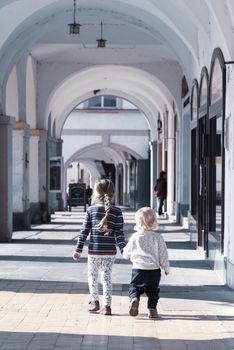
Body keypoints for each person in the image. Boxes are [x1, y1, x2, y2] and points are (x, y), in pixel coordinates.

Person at [72, 179, 125, 316]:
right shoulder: (117, 212)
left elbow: (84, 231)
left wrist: (78, 249)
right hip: (109, 251)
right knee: (106, 278)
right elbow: (119, 234)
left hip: (94, 251)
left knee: (92, 276)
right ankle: (107, 306)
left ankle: (94, 302)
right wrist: (123, 249)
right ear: (113, 193)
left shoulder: (91, 210)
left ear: (96, 193)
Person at [123, 207, 170, 318]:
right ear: (154, 222)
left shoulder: (135, 236)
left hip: (138, 268)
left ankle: (134, 298)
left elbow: (127, 252)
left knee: (135, 287)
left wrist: (126, 256)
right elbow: (163, 255)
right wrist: (166, 268)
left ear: (138, 222)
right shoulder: (158, 237)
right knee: (153, 291)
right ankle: (152, 310)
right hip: (154, 270)